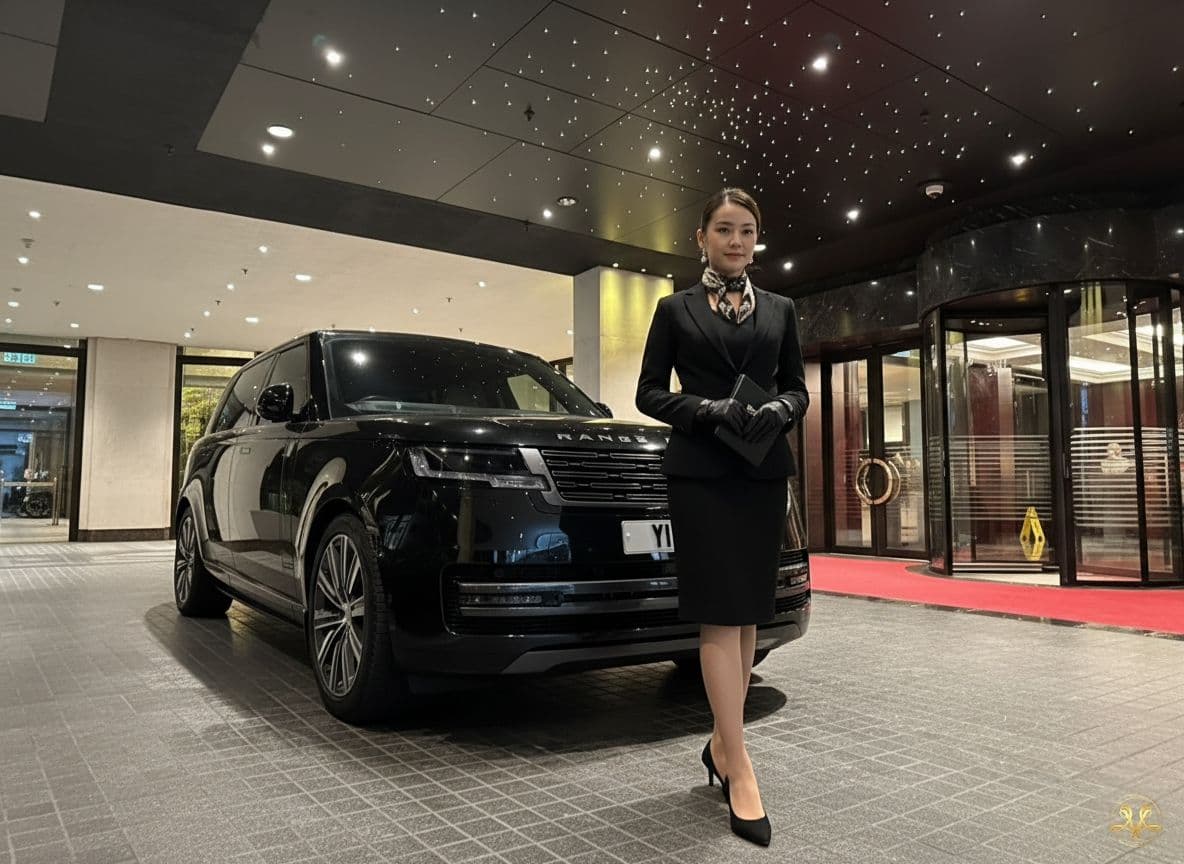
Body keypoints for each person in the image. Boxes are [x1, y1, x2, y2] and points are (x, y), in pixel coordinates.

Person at [635, 187, 808, 847]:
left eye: (747, 232)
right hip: (702, 474)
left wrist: (781, 411)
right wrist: (705, 410)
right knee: (718, 610)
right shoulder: (673, 309)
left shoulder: (781, 309)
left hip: (761, 471)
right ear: (701, 238)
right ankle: (741, 769)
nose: (737, 242)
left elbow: (797, 385)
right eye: (725, 231)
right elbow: (649, 392)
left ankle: (720, 744)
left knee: (748, 614)